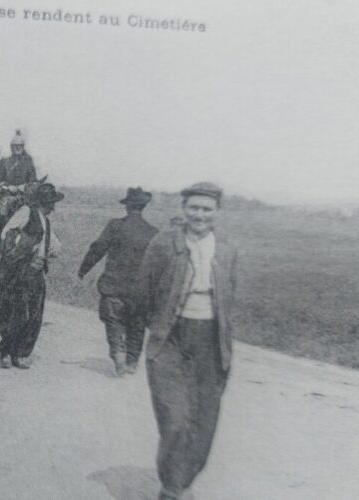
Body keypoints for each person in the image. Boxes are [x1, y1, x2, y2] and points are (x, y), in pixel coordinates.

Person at [136, 182, 238, 500]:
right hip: (171, 340)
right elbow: (144, 289)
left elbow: (229, 296)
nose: (199, 215)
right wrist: (157, 323)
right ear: (184, 209)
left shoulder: (227, 249)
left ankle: (183, 480)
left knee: (204, 420)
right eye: (193, 207)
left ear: (216, 212)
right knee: (175, 418)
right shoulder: (165, 243)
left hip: (210, 342)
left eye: (206, 209)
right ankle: (170, 485)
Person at [77, 187, 159, 376]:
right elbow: (158, 265)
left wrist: (84, 268)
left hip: (114, 287)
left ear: (127, 207)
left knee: (113, 321)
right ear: (143, 207)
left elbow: (98, 248)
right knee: (137, 325)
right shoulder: (153, 232)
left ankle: (118, 352)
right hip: (140, 292)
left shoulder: (115, 226)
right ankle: (131, 361)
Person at [0, 183, 63, 369]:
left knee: (34, 314)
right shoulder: (26, 212)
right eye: (52, 202)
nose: (53, 207)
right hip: (19, 271)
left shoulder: (45, 221)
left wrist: (45, 253)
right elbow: (6, 233)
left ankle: (22, 352)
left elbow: (55, 247)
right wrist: (24, 247)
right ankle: (7, 351)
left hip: (36, 271)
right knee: (14, 312)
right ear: (47, 203)